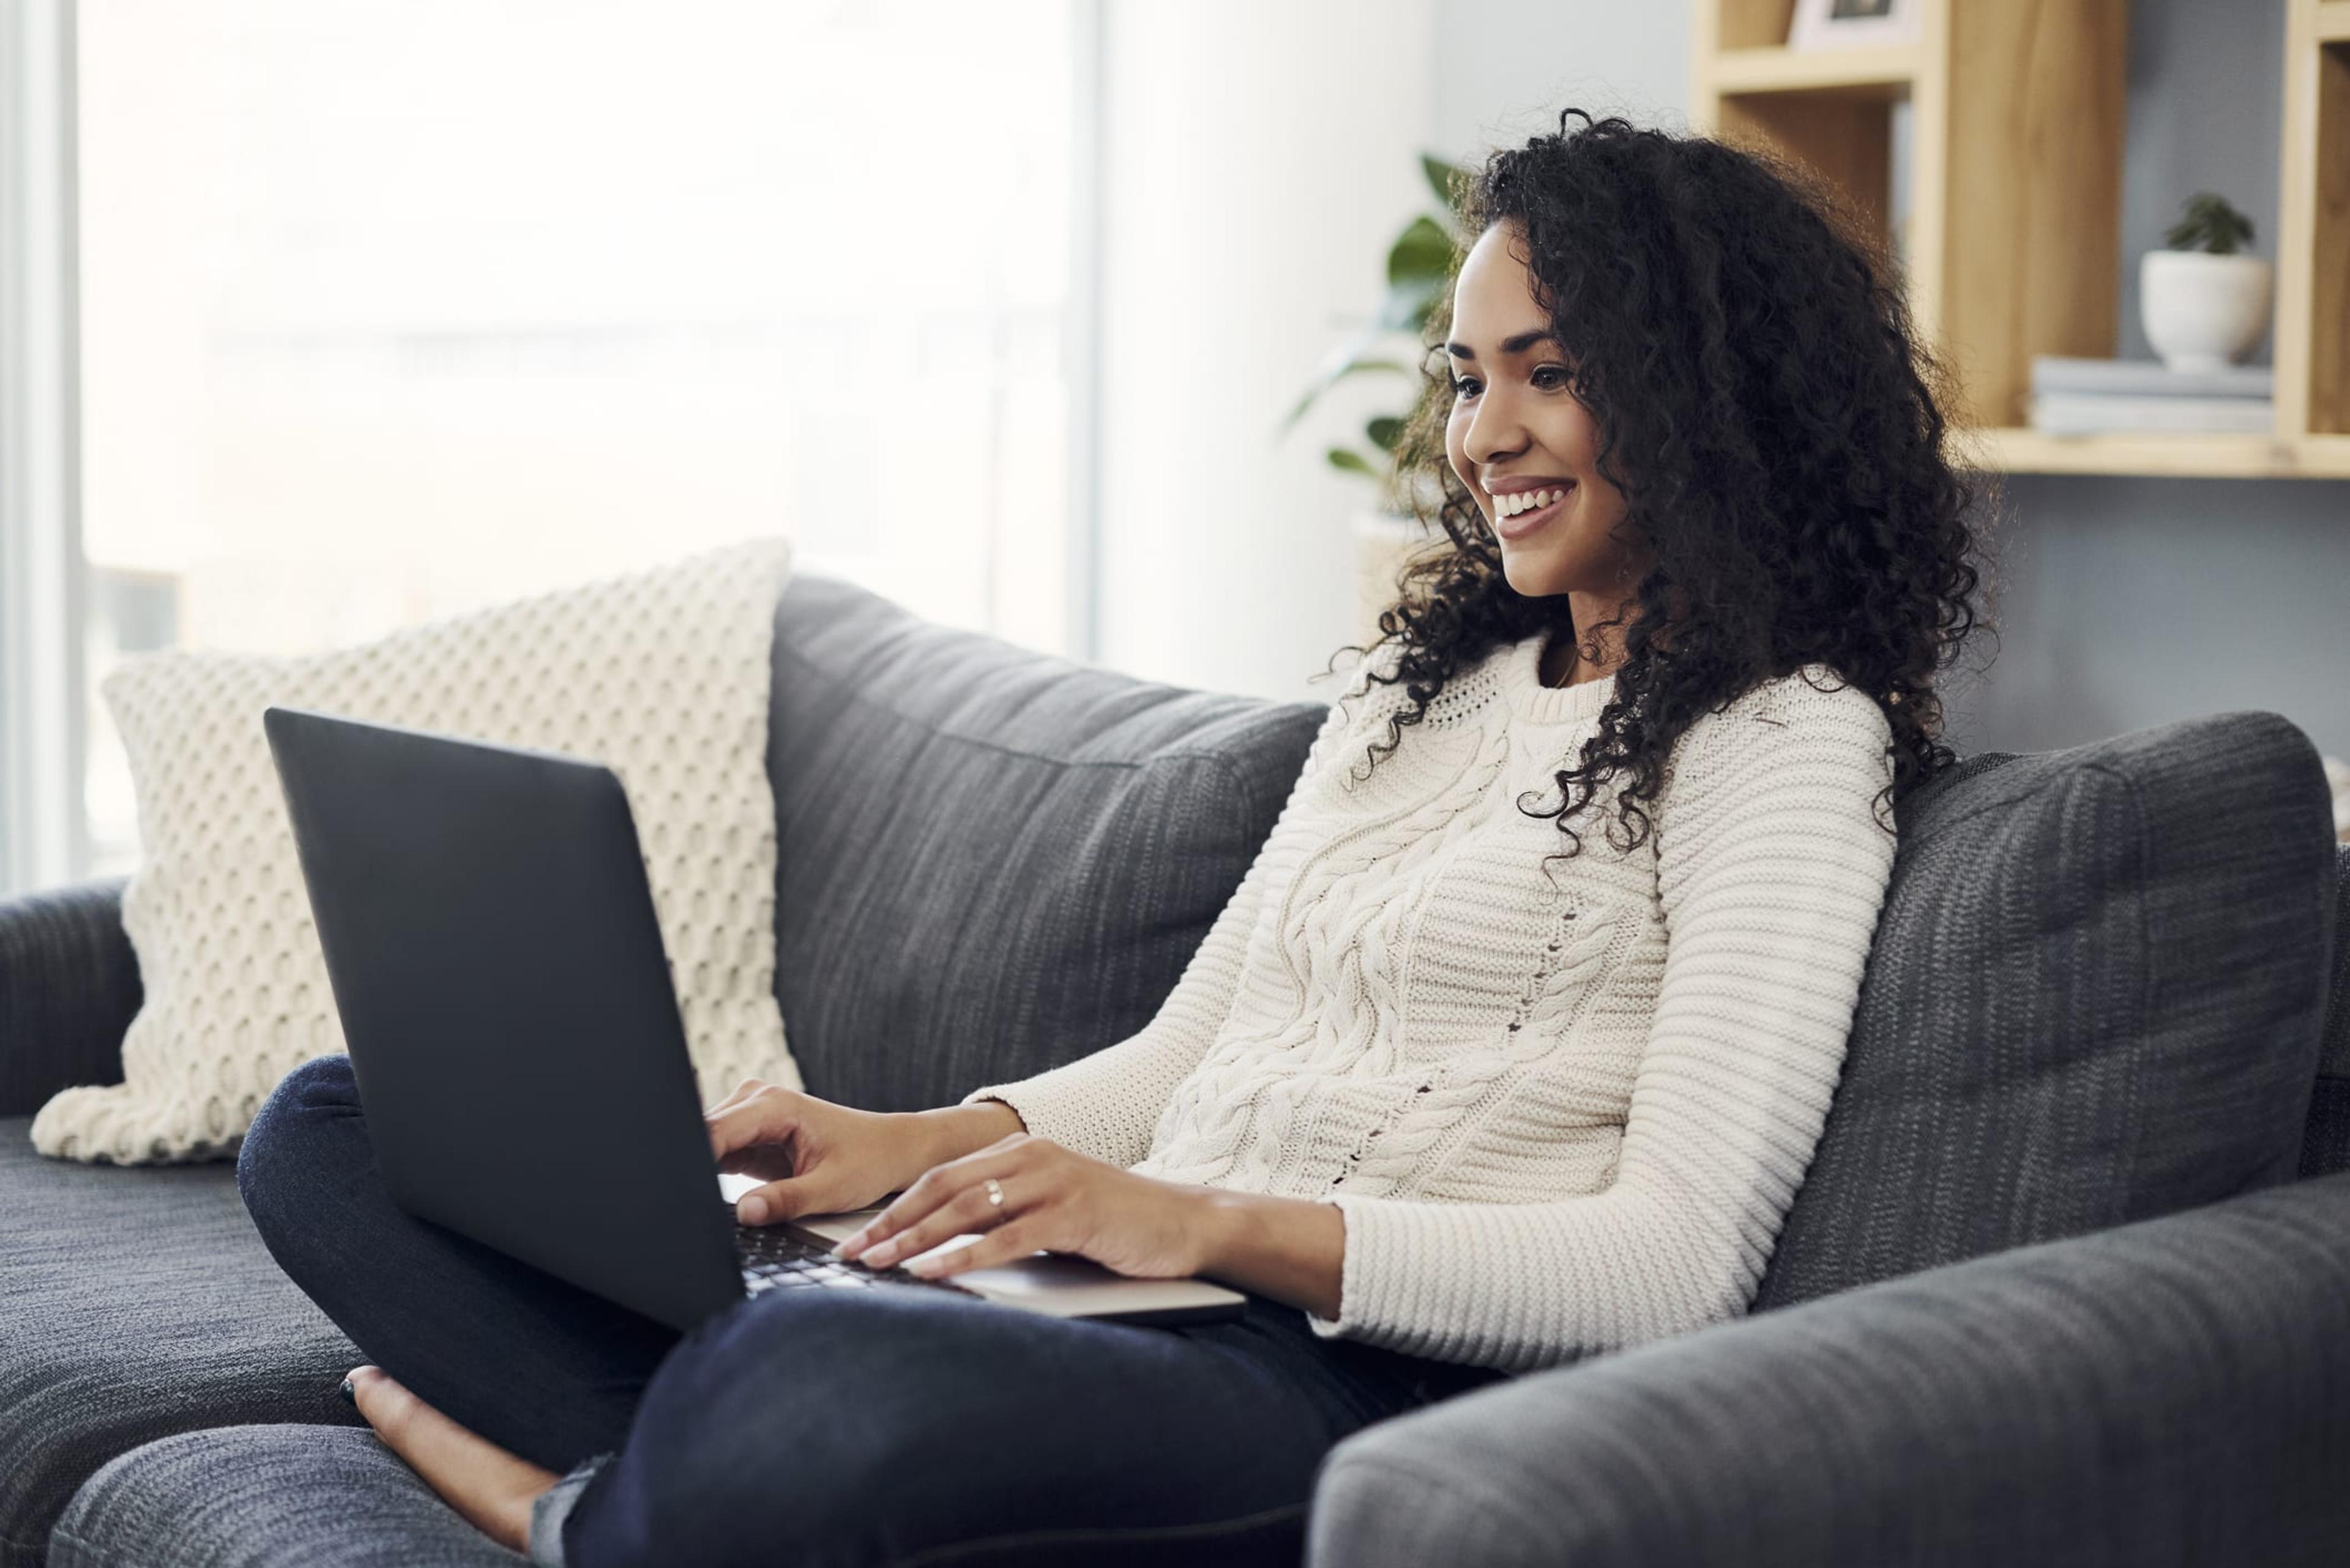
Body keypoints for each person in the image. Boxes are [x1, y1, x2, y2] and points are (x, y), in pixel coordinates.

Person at [237, 108, 1992, 1568]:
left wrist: (1202, 1225)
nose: (1485, 437)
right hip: (1103, 1307)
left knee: (809, 1389)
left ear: (1709, 391)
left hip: (1352, 1382)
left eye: (1552, 375)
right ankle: (722, 1474)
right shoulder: (1421, 686)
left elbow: (1676, 1267)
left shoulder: (1782, 735)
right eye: (1466, 379)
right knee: (330, 1126)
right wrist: (912, 1143)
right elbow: (1187, 1053)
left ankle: (594, 1511)